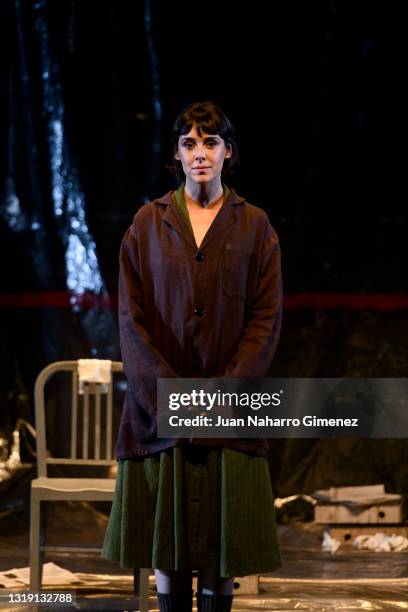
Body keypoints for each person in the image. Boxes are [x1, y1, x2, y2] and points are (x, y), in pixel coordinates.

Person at [101, 101, 283, 612]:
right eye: (189, 143)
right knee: (171, 552)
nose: (200, 153)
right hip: (161, 415)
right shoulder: (146, 223)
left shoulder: (255, 227)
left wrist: (223, 395)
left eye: (210, 142)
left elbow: (265, 320)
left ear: (228, 152)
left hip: (230, 416)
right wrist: (168, 397)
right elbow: (130, 322)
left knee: (221, 558)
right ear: (176, 156)